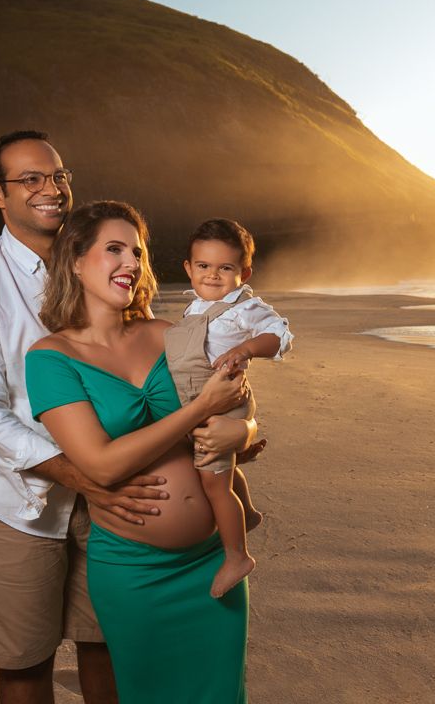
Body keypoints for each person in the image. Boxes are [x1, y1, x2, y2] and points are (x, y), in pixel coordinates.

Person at [0, 132, 259, 704]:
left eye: (59, 175)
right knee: (26, 657)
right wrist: (89, 478)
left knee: (102, 645)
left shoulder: (111, 274)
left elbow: (210, 395)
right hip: (20, 497)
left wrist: (239, 432)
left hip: (116, 507)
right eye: (30, 179)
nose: (50, 188)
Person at [25, 201, 256, 704]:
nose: (131, 262)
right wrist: (198, 414)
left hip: (212, 563)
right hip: (134, 572)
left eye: (137, 251)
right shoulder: (50, 359)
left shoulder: (167, 334)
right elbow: (100, 464)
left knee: (222, 696)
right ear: (75, 261)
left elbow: (232, 402)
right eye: (114, 249)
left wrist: (244, 430)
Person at [167, 218, 292, 597]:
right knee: (219, 471)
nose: (213, 275)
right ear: (189, 268)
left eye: (226, 268)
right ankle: (248, 513)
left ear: (243, 273)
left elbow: (280, 336)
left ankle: (237, 554)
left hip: (224, 406)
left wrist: (246, 348)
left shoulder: (245, 307)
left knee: (213, 481)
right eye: (203, 266)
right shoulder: (193, 308)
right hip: (196, 402)